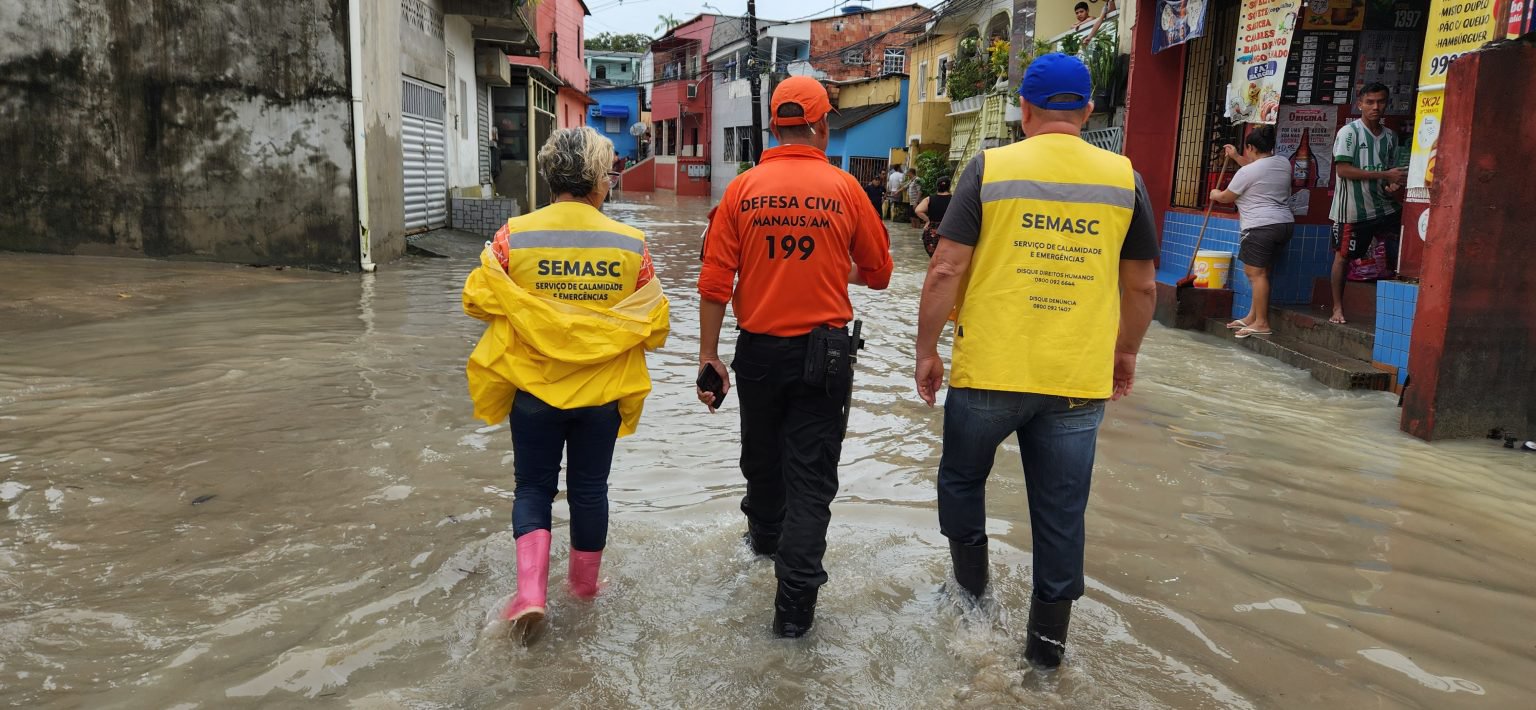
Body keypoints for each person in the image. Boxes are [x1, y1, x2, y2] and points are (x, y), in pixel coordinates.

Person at [913, 53, 1158, 669]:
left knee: (961, 480)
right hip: (1076, 378)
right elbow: (1142, 286)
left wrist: (926, 349)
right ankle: (1046, 655)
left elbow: (946, 268)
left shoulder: (989, 168)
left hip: (990, 371)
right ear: (1088, 111)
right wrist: (1126, 351)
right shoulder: (1124, 178)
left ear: (1023, 110)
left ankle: (971, 602)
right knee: (1061, 514)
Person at [697, 76, 894, 638]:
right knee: (810, 483)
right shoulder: (846, 189)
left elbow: (715, 282)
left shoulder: (742, 190)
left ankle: (761, 549)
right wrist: (832, 267)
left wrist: (709, 356)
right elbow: (879, 273)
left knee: (761, 463)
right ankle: (793, 619)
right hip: (824, 359)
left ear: (774, 128)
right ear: (822, 125)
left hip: (756, 355)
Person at [462, 126, 671, 639]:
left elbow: (477, 300)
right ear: (598, 179)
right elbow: (656, 323)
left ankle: (530, 594)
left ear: (550, 175)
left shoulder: (513, 237)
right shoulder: (632, 245)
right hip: (601, 396)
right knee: (589, 490)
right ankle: (583, 590)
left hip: (533, 390)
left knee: (532, 487)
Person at [1329, 82, 1404, 324]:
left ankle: (1396, 309)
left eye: (1380, 102)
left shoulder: (1390, 137)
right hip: (1352, 209)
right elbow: (1343, 170)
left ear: (1386, 104)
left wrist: (1392, 184)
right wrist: (1384, 175)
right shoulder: (1349, 133)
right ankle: (1337, 308)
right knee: (1343, 257)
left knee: (1401, 249)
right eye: (1370, 102)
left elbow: (1390, 173)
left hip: (1384, 206)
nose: (1375, 107)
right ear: (1360, 104)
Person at [1209, 124, 1294, 338]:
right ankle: (1252, 317)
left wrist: (1215, 194)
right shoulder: (1283, 163)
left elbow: (1227, 197)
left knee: (1255, 274)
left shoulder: (1246, 172)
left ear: (1251, 147)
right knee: (1262, 273)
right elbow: (1259, 169)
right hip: (1284, 225)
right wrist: (1236, 157)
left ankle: (1262, 323)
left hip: (1260, 227)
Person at [915, 176, 953, 257]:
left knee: (934, 258)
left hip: (932, 232)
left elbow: (918, 210)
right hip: (949, 231)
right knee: (946, 258)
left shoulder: (930, 199)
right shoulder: (954, 199)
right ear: (949, 186)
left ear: (937, 186)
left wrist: (928, 220)